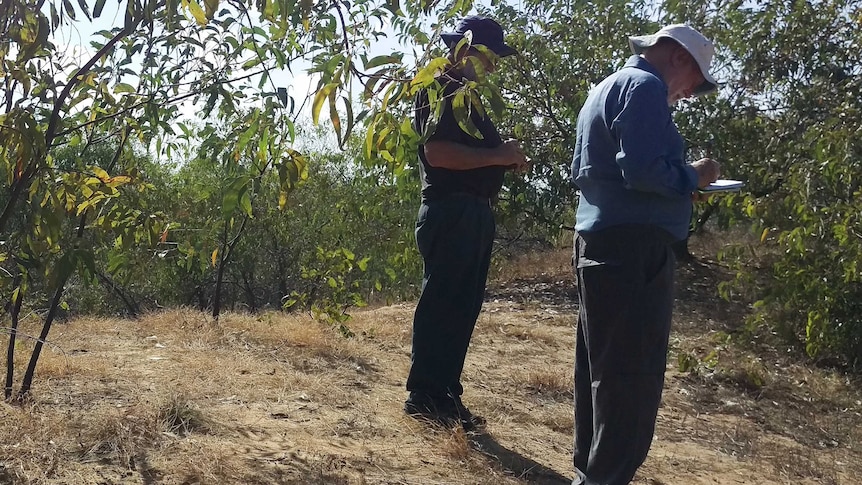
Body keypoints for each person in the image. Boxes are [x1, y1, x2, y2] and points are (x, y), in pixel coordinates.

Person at [570, 24, 722, 484]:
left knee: (600, 373)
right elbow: (640, 168)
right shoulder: (645, 86)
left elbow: (598, 170)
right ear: (678, 57)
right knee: (631, 380)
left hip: (600, 242)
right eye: (697, 79)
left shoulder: (606, 87)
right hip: (633, 250)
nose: (692, 92)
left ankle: (589, 474)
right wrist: (692, 177)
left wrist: (675, 190)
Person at [404, 15, 529, 430]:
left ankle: (443, 393)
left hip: (471, 212)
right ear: (466, 49)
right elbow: (438, 154)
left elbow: (467, 153)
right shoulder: (438, 87)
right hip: (452, 211)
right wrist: (497, 156)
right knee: (444, 302)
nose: (493, 66)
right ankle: (424, 394)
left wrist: (503, 157)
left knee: (462, 305)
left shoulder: (466, 96)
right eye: (489, 56)